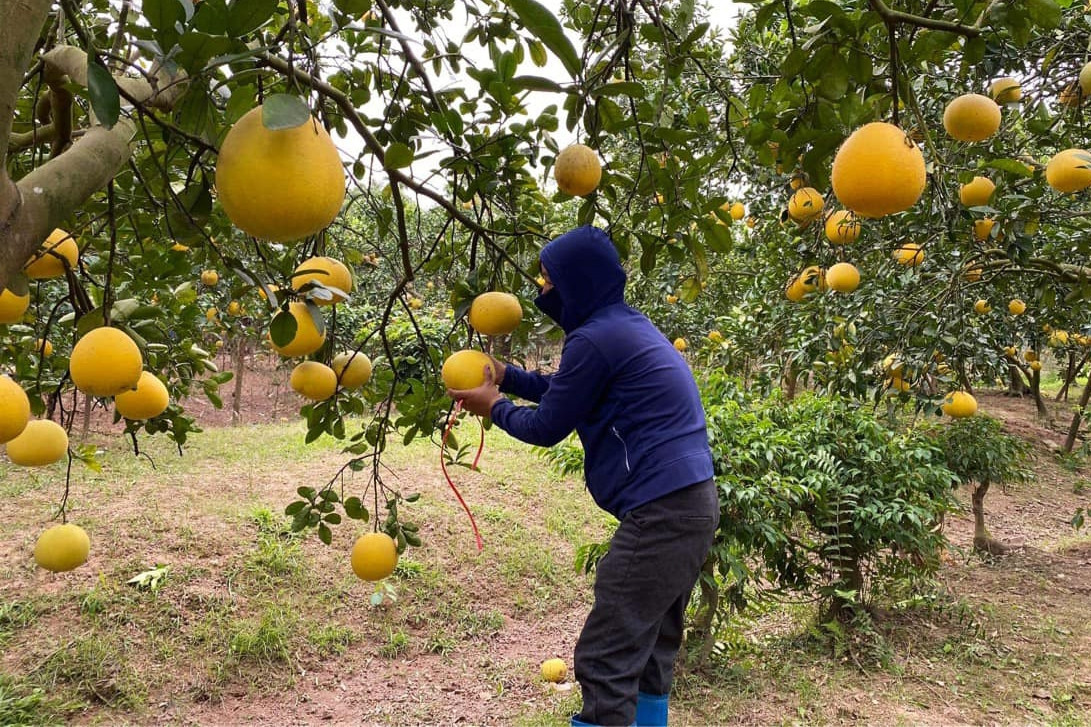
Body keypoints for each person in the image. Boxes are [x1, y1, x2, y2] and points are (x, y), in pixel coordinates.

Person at [447, 225, 719, 727]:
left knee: (605, 656)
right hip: (692, 504)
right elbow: (566, 391)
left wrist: (495, 406)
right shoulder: (622, 325)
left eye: (550, 282)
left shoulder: (594, 338)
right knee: (651, 646)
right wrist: (508, 376)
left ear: (578, 282)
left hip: (661, 512)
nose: (543, 292)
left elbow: (549, 424)